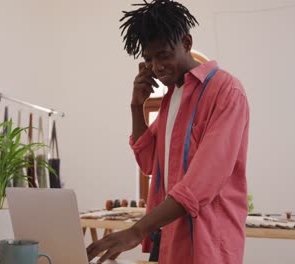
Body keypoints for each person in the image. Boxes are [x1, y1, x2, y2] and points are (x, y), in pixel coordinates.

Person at [87, 0, 249, 263]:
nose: (156, 67)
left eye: (163, 55)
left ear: (186, 43)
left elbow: (201, 183)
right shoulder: (172, 97)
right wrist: (136, 106)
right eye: (149, 59)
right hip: (168, 236)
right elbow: (149, 163)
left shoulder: (225, 90)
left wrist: (138, 230)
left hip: (208, 242)